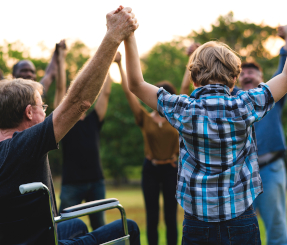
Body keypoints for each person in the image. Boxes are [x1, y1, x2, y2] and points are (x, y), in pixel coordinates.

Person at [0, 8, 140, 245]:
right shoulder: (27, 145)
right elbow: (79, 101)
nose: (46, 110)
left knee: (77, 225)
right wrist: (113, 36)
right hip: (38, 240)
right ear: (29, 112)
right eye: (42, 106)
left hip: (9, 239)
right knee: (127, 226)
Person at [122, 7, 287, 243]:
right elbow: (285, 78)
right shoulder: (246, 104)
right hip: (241, 220)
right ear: (234, 78)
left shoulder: (183, 109)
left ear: (193, 78)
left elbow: (136, 84)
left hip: (197, 224)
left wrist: (129, 35)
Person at [116, 51, 179, 245]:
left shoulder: (177, 117)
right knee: (151, 217)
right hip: (150, 169)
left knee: (171, 217)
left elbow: (186, 87)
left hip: (171, 169)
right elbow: (130, 92)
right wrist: (119, 65)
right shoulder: (144, 117)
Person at [237, 25, 287, 245]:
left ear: (262, 78)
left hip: (270, 170)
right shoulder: (232, 103)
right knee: (240, 231)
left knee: (277, 228)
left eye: (252, 72)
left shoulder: (272, 97)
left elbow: (284, 71)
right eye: (242, 73)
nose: (247, 76)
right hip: (240, 175)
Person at [55, 44, 112, 229]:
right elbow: (60, 87)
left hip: (96, 181)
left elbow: (106, 92)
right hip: (72, 183)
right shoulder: (64, 122)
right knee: (64, 226)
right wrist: (62, 57)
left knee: (100, 227)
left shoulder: (93, 120)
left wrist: (110, 60)